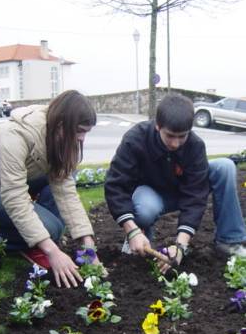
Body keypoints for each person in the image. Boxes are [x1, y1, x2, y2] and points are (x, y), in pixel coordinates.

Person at [0, 90, 101, 288]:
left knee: (53, 221)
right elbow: (14, 197)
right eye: (80, 131)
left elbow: (66, 192)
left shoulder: (64, 139)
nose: (82, 139)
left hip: (7, 184)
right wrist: (52, 250)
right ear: (61, 125)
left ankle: (35, 237)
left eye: (87, 132)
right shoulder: (17, 136)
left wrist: (89, 246)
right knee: (52, 230)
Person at [105, 93, 246, 274]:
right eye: (170, 135)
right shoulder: (136, 139)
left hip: (183, 191)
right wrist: (131, 230)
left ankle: (228, 241)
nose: (175, 143)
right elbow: (116, 186)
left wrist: (180, 246)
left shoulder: (195, 146)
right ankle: (139, 237)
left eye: (182, 136)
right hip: (151, 194)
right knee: (145, 209)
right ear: (158, 126)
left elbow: (195, 196)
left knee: (224, 167)